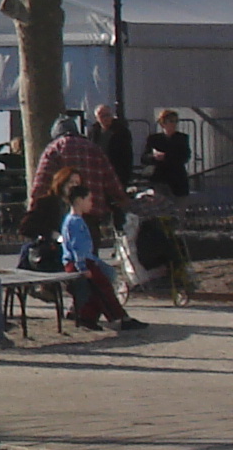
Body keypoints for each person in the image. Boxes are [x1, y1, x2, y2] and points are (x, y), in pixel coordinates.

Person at [59, 183, 144, 332]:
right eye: (89, 200)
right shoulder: (76, 222)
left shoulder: (71, 220)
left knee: (97, 289)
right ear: (79, 200)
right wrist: (83, 267)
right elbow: (78, 247)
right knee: (103, 288)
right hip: (82, 262)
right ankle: (119, 318)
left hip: (82, 261)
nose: (91, 203)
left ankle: (88, 317)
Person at [142, 109, 192, 198]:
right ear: (163, 123)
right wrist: (154, 157)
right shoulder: (154, 139)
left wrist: (166, 156)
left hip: (178, 179)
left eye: (176, 121)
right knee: (161, 208)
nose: (174, 124)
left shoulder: (182, 138)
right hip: (160, 178)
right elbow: (144, 158)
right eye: (171, 121)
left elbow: (185, 156)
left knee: (179, 207)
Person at [91, 103, 135, 185]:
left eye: (108, 115)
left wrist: (125, 176)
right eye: (102, 116)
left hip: (116, 173)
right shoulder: (93, 132)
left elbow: (127, 156)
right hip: (98, 173)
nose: (106, 118)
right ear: (97, 118)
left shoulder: (121, 132)